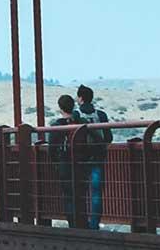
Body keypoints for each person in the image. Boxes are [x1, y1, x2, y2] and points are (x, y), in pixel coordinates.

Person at [74, 85, 112, 229]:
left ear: (80, 98)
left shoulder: (76, 115)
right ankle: (94, 224)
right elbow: (108, 137)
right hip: (97, 156)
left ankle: (81, 223)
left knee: (79, 191)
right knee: (96, 192)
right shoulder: (101, 115)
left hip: (80, 158)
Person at [46, 94, 80, 227]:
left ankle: (72, 224)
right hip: (81, 163)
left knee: (68, 195)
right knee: (81, 194)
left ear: (60, 108)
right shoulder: (79, 123)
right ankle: (82, 223)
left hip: (64, 163)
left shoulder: (57, 125)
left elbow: (51, 148)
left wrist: (56, 163)